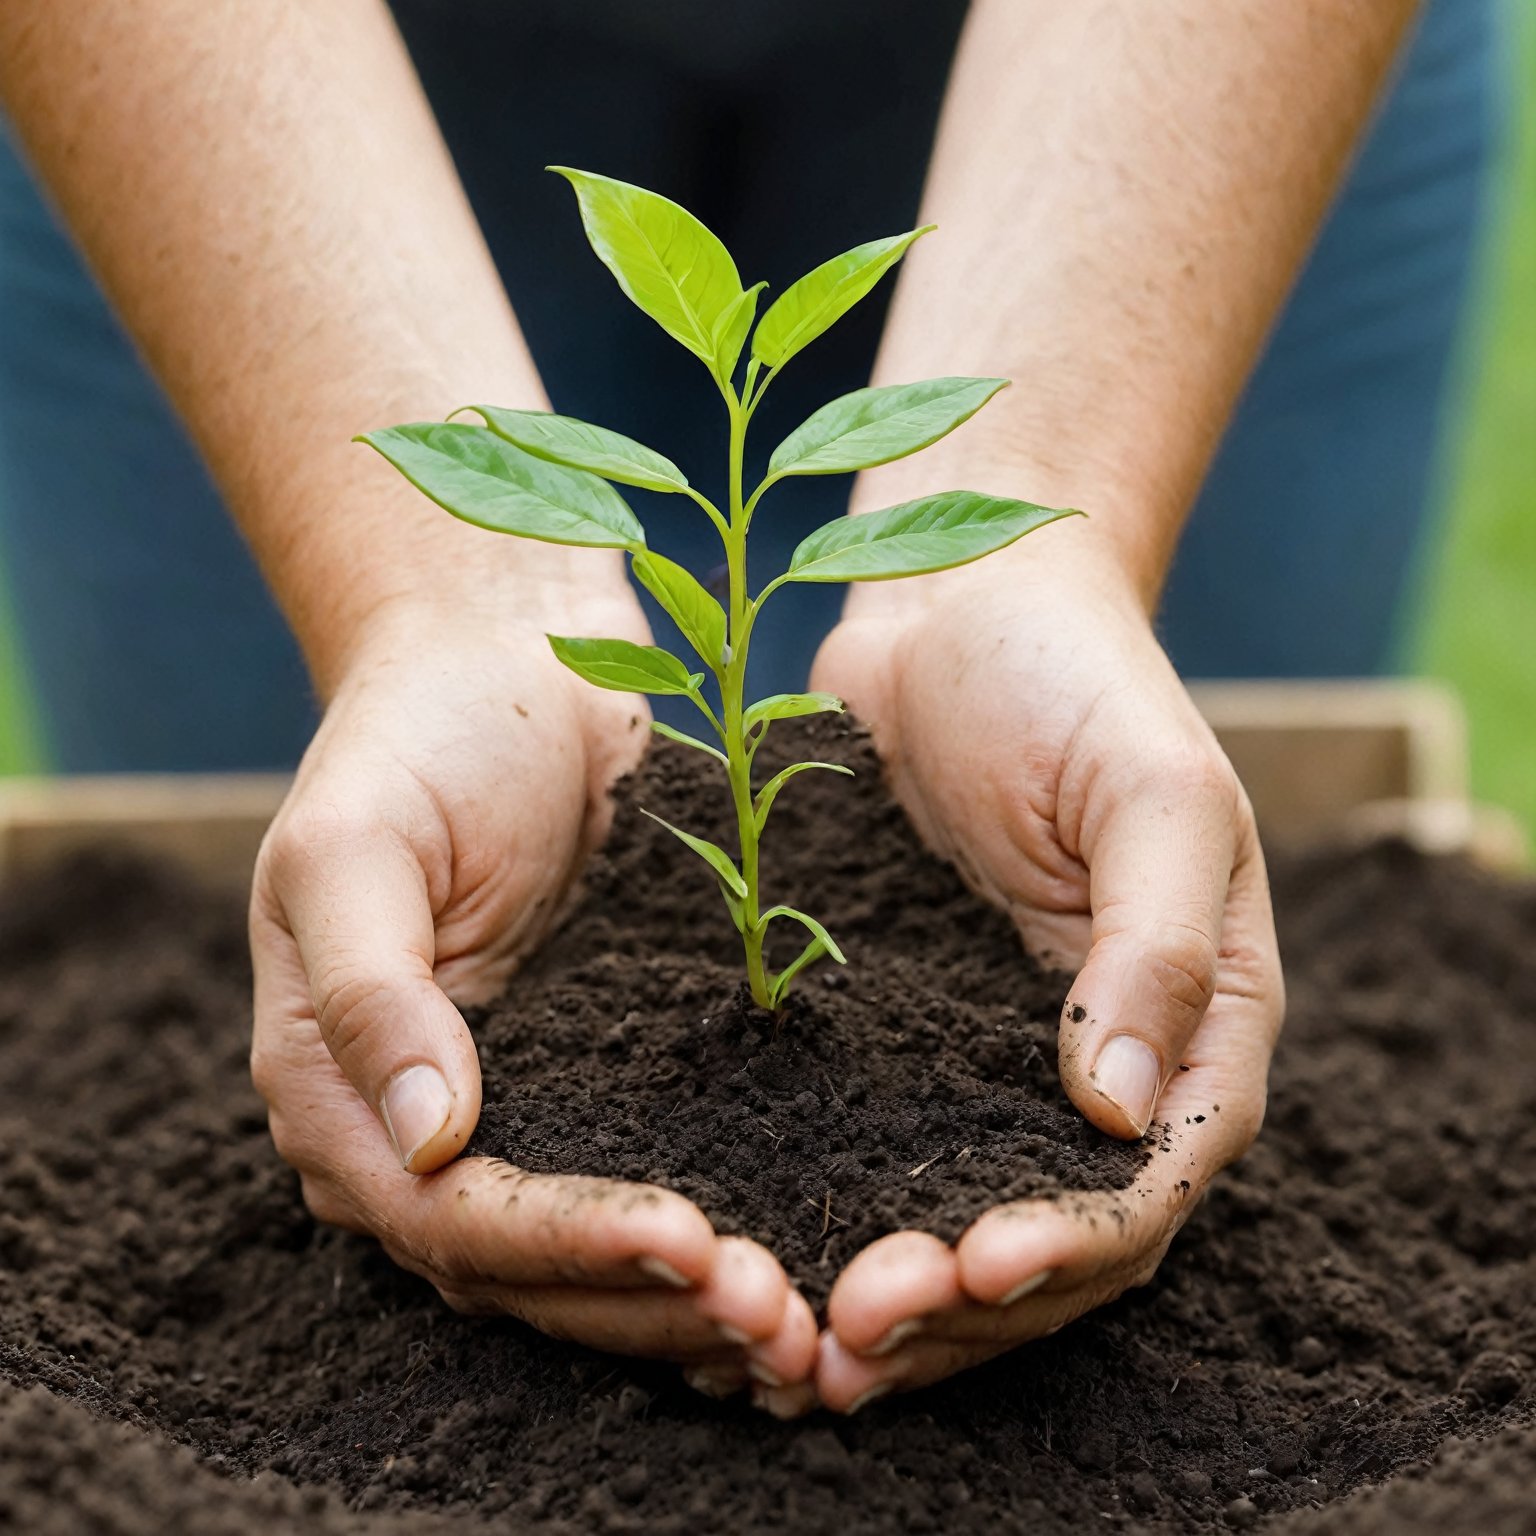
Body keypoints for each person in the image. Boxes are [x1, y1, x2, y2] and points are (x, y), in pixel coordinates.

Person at [0, 0, 1497, 1415]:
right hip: (230, 79)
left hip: (1172, 68)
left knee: (1149, 852)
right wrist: (446, 595)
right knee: (301, 916)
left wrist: (1036, 528)